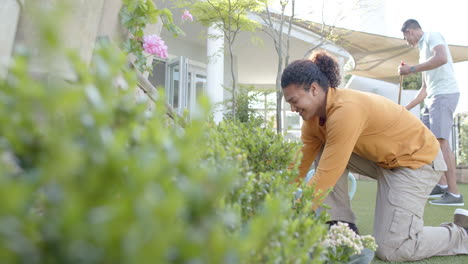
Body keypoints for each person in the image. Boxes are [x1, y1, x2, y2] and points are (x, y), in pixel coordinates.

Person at [281, 50, 468, 261]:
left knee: (393, 249)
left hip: (417, 161)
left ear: (314, 89)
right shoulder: (312, 120)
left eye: (294, 100)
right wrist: (274, 197)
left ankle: (462, 234)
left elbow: (326, 175)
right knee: (322, 147)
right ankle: (341, 228)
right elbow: (299, 165)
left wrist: (289, 214)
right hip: (383, 160)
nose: (292, 108)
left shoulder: (345, 110)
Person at [398, 19, 462, 206]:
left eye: (405, 38)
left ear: (410, 31)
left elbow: (441, 57)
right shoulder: (422, 53)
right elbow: (425, 88)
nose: (407, 42)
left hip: (444, 94)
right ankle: (441, 185)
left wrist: (411, 69)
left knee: (441, 141)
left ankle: (454, 194)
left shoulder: (432, 37)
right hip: (433, 96)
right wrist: (405, 109)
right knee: (426, 141)